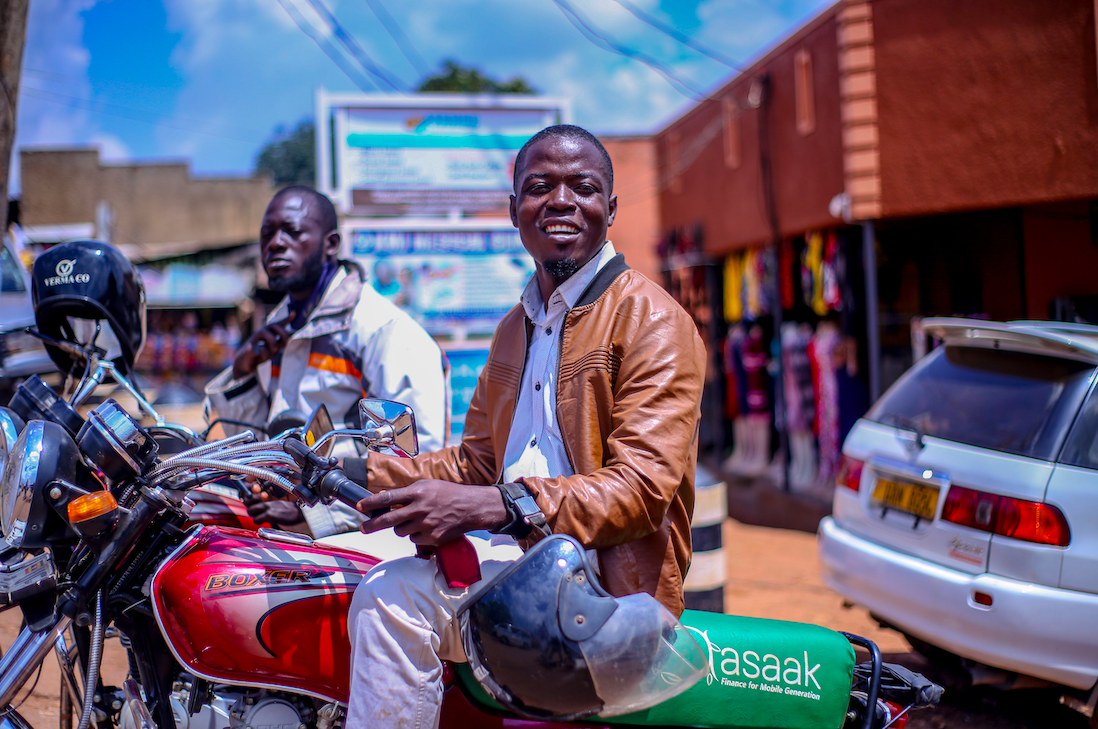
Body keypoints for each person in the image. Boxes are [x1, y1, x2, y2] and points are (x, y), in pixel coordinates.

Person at [339, 126, 706, 728]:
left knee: (391, 599)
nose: (561, 200)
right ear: (514, 211)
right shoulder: (517, 326)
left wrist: (495, 506)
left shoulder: (653, 322)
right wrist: (350, 474)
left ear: (611, 208)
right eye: (539, 187)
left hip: (607, 599)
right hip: (520, 567)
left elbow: (641, 491)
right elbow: (476, 463)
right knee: (333, 568)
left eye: (582, 187)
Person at [203, 185, 448, 537]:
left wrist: (313, 515)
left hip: (360, 539)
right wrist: (242, 372)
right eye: (267, 234)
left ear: (330, 244)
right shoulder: (278, 326)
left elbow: (415, 463)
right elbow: (257, 436)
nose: (275, 244)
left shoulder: (383, 330)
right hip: (285, 525)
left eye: (292, 231)